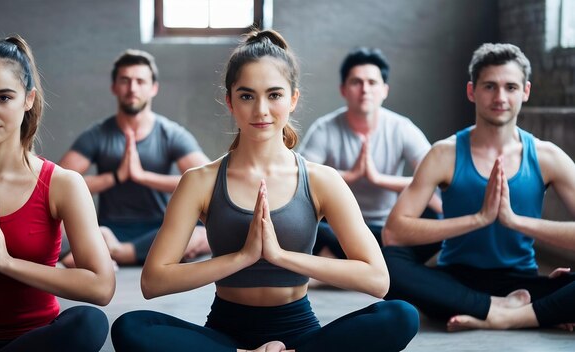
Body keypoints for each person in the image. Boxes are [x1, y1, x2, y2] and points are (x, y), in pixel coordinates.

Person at [110, 29, 419, 352]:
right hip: (225, 336)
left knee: (400, 314)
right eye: (247, 96)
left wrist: (282, 257)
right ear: (229, 100)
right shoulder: (200, 181)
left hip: (299, 331)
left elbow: (377, 279)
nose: (261, 110)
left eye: (274, 95)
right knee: (131, 327)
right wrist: (243, 257)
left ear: (293, 99)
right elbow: (153, 281)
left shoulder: (321, 180)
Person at [382, 43, 575, 331]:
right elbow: (393, 233)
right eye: (489, 87)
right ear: (472, 91)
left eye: (510, 87)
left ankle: (505, 315)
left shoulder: (548, 157)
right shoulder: (444, 153)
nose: (500, 97)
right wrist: (478, 219)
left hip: (521, 284)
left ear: (526, 92)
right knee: (388, 265)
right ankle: (520, 312)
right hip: (455, 282)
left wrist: (517, 222)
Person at [0, 36, 115, 351]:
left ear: (28, 99)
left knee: (88, 322)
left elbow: (101, 286)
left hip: (35, 341)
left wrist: (7, 263)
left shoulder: (63, 183)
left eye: (3, 97)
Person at [58, 49, 211, 266]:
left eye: (140, 81)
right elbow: (56, 184)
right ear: (114, 87)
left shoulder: (171, 133)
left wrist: (143, 176)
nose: (132, 88)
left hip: (159, 229)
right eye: (125, 81)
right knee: (57, 219)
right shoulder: (97, 134)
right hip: (108, 229)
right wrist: (116, 177)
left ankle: (118, 254)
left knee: (208, 230)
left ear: (153, 88)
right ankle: (128, 253)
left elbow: (208, 182)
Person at [298, 47, 440, 258]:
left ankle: (337, 262)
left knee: (438, 219)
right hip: (339, 228)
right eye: (356, 82)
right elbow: (301, 180)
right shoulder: (324, 128)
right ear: (343, 90)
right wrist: (350, 176)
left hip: (388, 227)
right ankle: (372, 263)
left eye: (372, 83)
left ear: (385, 90)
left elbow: (434, 180)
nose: (365, 89)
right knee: (300, 220)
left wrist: (379, 179)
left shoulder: (401, 127)